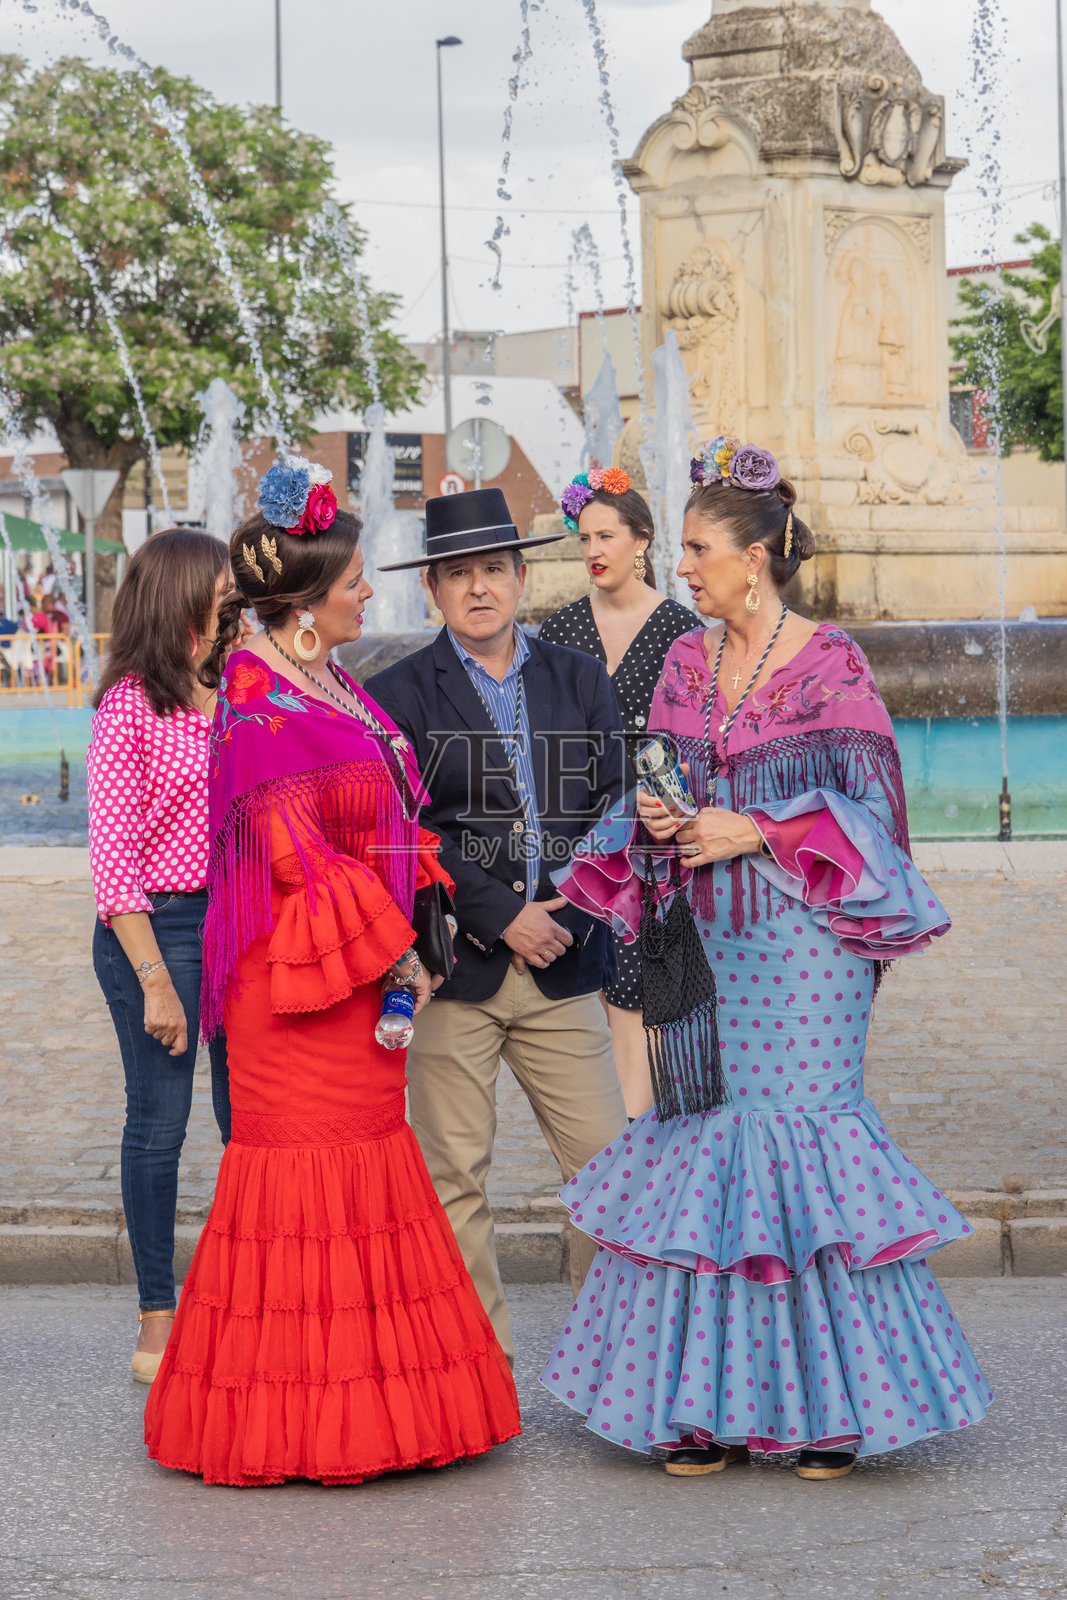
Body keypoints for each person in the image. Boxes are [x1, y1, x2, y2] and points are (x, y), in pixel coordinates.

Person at [542, 438, 993, 1480]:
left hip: (803, 949)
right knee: (701, 1143)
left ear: (755, 557)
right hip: (702, 937)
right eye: (685, 551)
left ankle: (828, 1409)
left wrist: (754, 827)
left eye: (697, 549)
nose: (684, 568)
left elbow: (872, 815)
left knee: (799, 1147)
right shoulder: (685, 662)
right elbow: (649, 782)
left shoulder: (830, 661)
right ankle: (699, 1407)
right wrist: (655, 815)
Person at [144, 462, 520, 1486]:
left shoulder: (328, 679)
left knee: (367, 1161)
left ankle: (375, 1408)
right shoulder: (259, 695)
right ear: (308, 599)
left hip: (354, 973)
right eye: (355, 577)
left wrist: (418, 912)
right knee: (305, 1176)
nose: (368, 591)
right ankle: (306, 1424)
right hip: (299, 983)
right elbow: (287, 846)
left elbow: (385, 810)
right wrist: (397, 948)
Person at [366, 488, 629, 1366]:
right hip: (453, 971)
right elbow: (408, 830)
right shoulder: (394, 696)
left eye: (492, 570)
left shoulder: (578, 679)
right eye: (456, 575)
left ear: (520, 577)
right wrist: (502, 915)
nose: (477, 588)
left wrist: (561, 901)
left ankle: (617, 1363)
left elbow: (616, 804)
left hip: (563, 963)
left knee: (610, 1175)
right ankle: (479, 1372)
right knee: (452, 1182)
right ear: (432, 591)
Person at [87, 529, 232, 1384]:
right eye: (220, 589)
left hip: (235, 925)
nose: (231, 602)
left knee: (245, 1126)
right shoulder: (129, 707)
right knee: (160, 1125)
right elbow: (115, 866)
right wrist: (154, 981)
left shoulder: (233, 691)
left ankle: (233, 1297)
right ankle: (157, 1320)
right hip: (156, 933)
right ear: (183, 597)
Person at [540, 469, 695, 1117]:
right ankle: (619, 1143)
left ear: (641, 540)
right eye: (583, 538)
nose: (593, 550)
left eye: (606, 535)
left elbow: (692, 740)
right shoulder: (557, 631)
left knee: (644, 1000)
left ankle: (642, 1139)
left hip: (652, 837)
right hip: (576, 839)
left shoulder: (680, 630)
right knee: (594, 996)